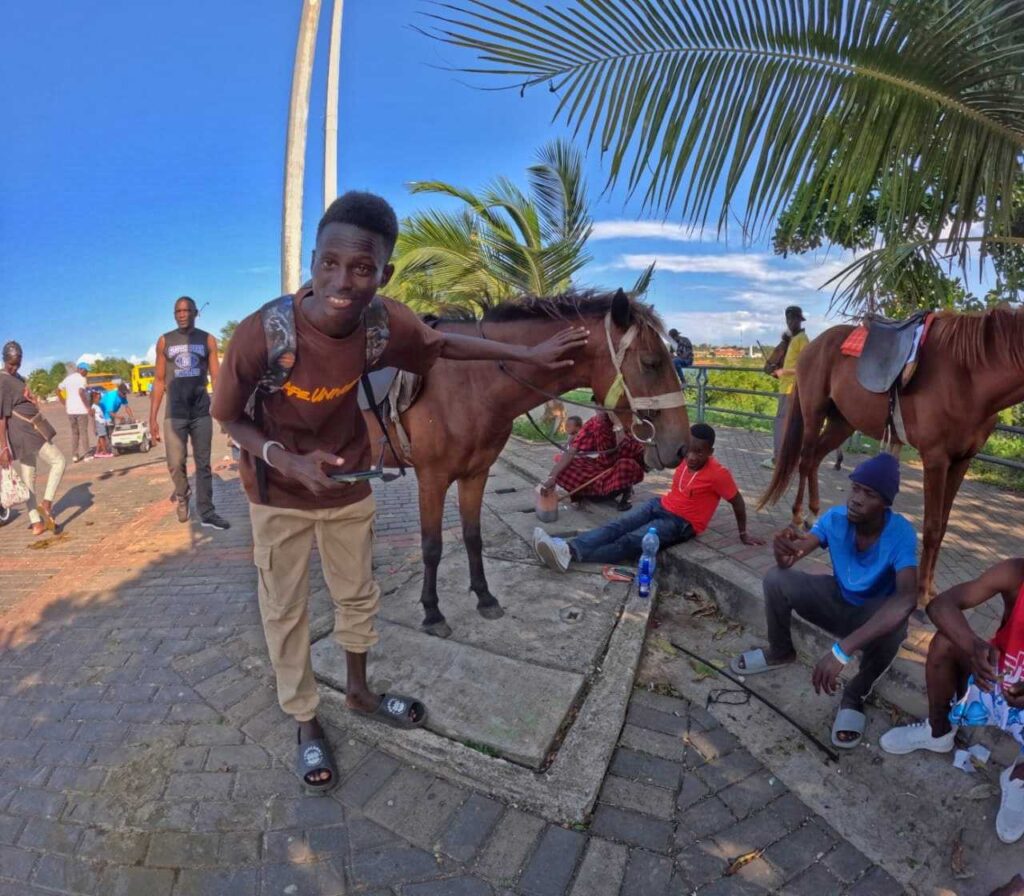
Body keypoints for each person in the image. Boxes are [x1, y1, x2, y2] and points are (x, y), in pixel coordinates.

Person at [211, 190, 587, 794]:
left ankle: (359, 692)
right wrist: (285, 457)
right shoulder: (265, 332)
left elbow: (447, 345)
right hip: (277, 492)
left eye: (362, 270)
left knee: (358, 595)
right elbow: (228, 418)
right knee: (285, 609)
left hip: (348, 484)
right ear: (313, 260)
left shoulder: (385, 324)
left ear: (382, 275)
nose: (342, 281)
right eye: (330, 264)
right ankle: (306, 720)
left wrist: (529, 353)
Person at [731, 453, 917, 748]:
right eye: (855, 488)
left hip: (870, 617)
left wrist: (842, 651)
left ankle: (855, 696)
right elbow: (794, 557)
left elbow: (907, 598)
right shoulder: (835, 519)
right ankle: (780, 652)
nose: (855, 499)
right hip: (838, 600)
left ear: (885, 504)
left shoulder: (901, 533)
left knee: (897, 623)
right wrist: (784, 550)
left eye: (868, 494)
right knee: (777, 580)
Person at [879, 558, 1024, 844]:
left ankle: (1018, 777)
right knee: (946, 642)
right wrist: (974, 646)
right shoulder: (1016, 573)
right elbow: (940, 605)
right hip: (991, 681)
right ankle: (938, 732)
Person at [533, 422, 763, 571]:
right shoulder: (685, 456)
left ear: (711, 452)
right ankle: (565, 548)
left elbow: (737, 501)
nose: (692, 457)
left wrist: (743, 534)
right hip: (660, 505)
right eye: (690, 450)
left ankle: (570, 553)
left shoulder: (719, 474)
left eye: (699, 452)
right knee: (617, 525)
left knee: (631, 541)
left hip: (681, 523)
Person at [149, 296, 229, 530]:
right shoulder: (165, 341)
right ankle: (183, 495)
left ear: (195, 312)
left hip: (201, 411)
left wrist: (222, 411)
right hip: (174, 414)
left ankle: (207, 510)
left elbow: (216, 378)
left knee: (203, 464)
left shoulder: (208, 340)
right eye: (178, 311)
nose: (182, 314)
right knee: (175, 463)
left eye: (186, 310)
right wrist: (152, 417)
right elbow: (159, 379)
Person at [0, 341, 67, 536]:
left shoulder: (18, 378)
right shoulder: (2, 380)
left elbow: (22, 399)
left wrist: (30, 398)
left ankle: (36, 523)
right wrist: (3, 447)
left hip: (25, 430)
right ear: (4, 360)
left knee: (29, 475)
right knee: (59, 461)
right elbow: (1, 417)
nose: (14, 367)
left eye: (18, 363)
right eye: (11, 363)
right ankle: (46, 504)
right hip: (24, 432)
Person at [540, 406, 646, 511]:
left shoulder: (628, 421)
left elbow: (632, 452)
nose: (599, 411)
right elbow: (571, 451)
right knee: (564, 467)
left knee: (627, 465)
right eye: (597, 407)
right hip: (600, 467)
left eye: (603, 408)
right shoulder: (593, 423)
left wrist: (618, 425)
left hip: (619, 468)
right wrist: (552, 476)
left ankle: (626, 491)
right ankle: (591, 492)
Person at [763, 305, 809, 469]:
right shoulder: (794, 340)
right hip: (786, 387)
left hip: (792, 388)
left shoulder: (802, 340)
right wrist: (778, 373)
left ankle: (779, 460)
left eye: (793, 319)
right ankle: (788, 458)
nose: (790, 322)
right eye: (788, 319)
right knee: (788, 423)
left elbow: (806, 366)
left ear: (799, 320)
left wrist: (785, 371)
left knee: (782, 424)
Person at [58, 361, 92, 462]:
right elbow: (81, 392)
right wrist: (88, 407)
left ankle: (75, 455)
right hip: (81, 410)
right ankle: (87, 455)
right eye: (86, 371)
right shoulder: (82, 379)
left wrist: (63, 402)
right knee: (83, 432)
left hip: (70, 411)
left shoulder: (67, 379)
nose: (87, 373)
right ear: (81, 369)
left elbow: (58, 390)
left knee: (75, 433)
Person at [91, 391, 113, 458]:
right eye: (98, 398)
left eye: (100, 398)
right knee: (102, 437)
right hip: (98, 423)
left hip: (102, 423)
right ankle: (105, 452)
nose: (99, 400)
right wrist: (94, 428)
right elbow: (93, 418)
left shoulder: (99, 406)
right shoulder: (93, 407)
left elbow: (101, 415)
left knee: (101, 438)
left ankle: (97, 452)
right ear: (94, 399)